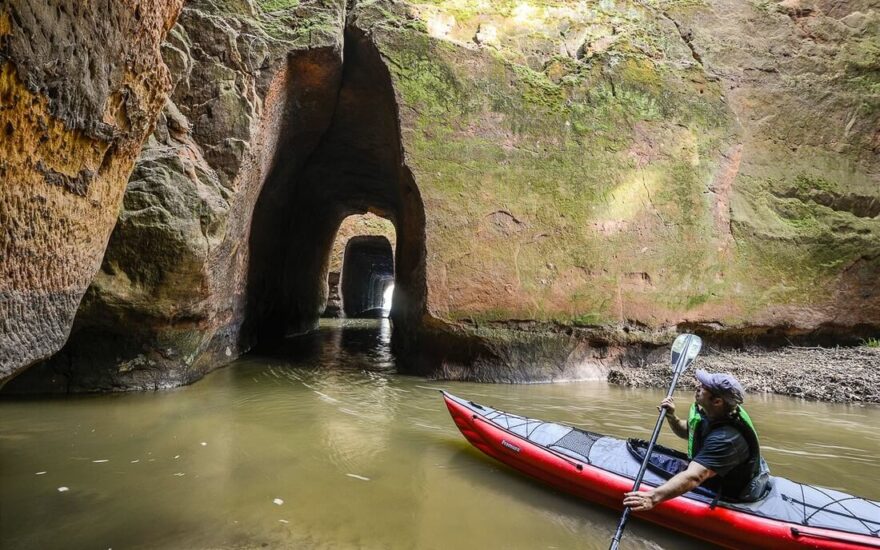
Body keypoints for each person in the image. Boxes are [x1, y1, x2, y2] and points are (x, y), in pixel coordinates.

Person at [623, 369, 769, 512]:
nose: (698, 386)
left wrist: (652, 498)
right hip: (715, 472)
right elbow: (689, 431)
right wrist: (672, 417)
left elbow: (695, 476)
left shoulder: (726, 439)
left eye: (704, 387)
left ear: (717, 401)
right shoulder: (714, 413)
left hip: (730, 490)